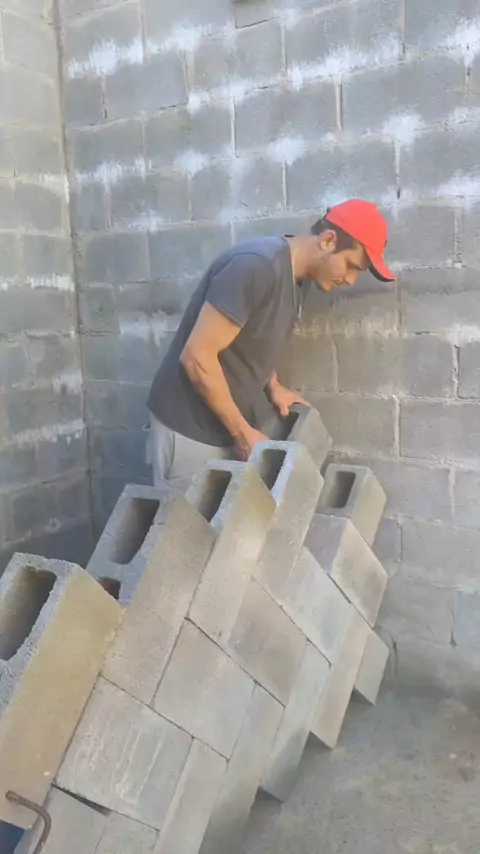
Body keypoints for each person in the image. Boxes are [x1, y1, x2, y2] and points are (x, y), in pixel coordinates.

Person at [146, 198, 394, 490]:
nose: (351, 280)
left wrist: (273, 385)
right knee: (188, 520)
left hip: (223, 426)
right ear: (328, 240)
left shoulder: (298, 279)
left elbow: (255, 337)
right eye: (351, 266)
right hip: (188, 430)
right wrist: (241, 432)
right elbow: (197, 357)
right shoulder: (255, 267)